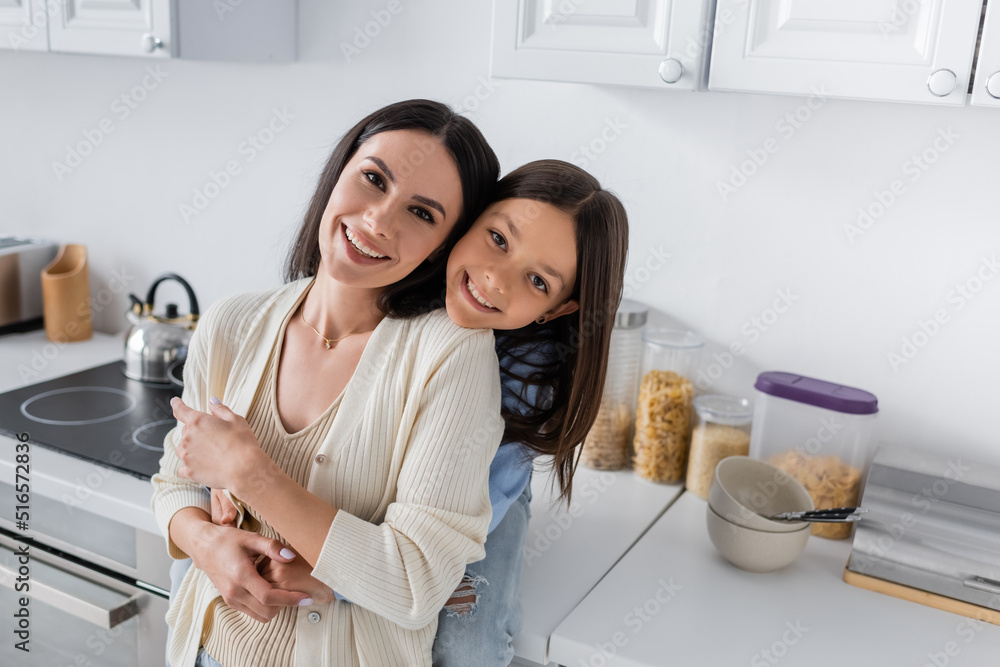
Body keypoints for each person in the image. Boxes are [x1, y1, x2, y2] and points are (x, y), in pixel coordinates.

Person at [196, 160, 630, 666]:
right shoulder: (400, 280)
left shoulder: (528, 376)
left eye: (536, 280)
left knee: (470, 644)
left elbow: (434, 542)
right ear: (465, 223)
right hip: (392, 463)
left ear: (557, 310)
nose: (494, 278)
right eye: (497, 239)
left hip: (487, 488)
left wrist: (336, 580)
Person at [152, 98, 503, 667]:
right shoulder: (230, 324)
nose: (378, 220)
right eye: (372, 179)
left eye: (422, 213)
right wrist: (205, 542)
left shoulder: (451, 354)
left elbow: (416, 585)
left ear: (444, 245)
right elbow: (175, 482)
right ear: (338, 171)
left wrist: (251, 474)